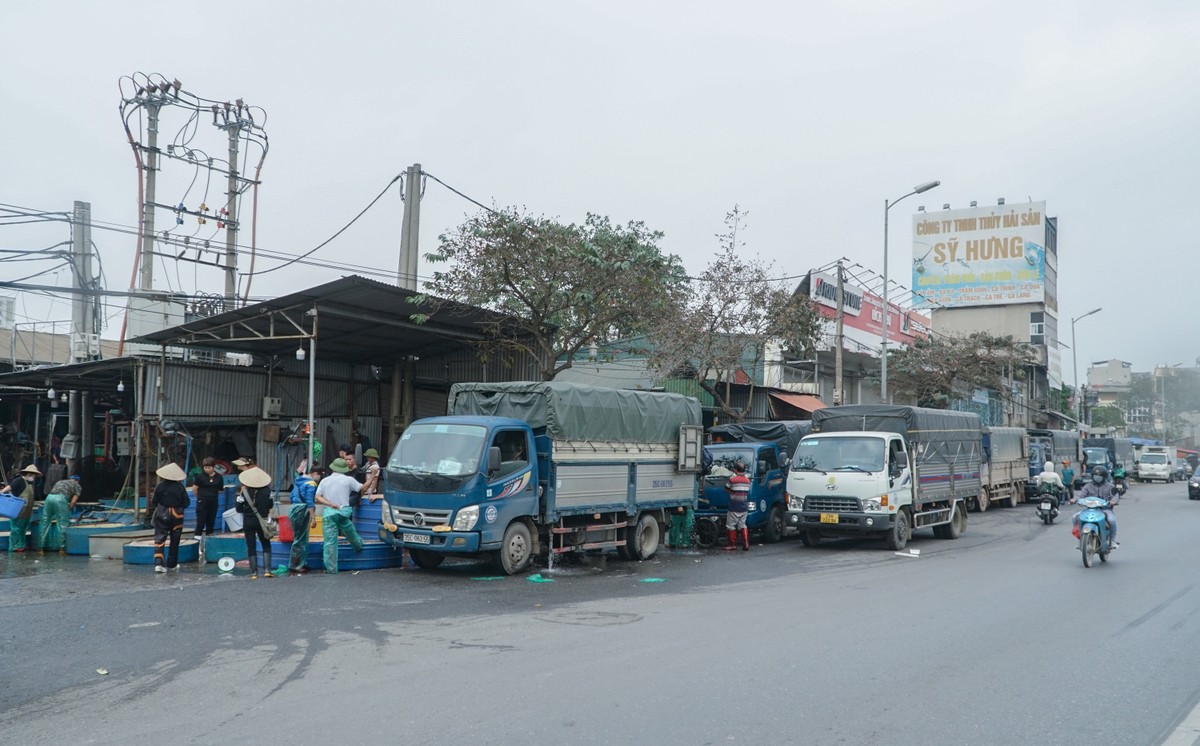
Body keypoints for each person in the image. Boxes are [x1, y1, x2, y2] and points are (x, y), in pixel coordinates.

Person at [314, 457, 365, 573]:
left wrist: (330, 503)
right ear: (344, 469)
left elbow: (317, 497)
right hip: (343, 513)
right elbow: (363, 488)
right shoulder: (349, 480)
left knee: (330, 542)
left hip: (329, 514)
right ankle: (358, 546)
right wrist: (372, 477)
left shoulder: (324, 481)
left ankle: (331, 569)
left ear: (333, 468)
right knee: (349, 529)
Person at [236, 466, 275, 579]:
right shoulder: (268, 491)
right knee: (266, 544)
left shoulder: (244, 492)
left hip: (248, 522)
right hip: (262, 522)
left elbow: (238, 508)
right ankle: (267, 570)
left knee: (251, 545)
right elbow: (270, 505)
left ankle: (254, 573)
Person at [151, 463, 190, 573]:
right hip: (177, 515)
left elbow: (154, 501)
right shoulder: (180, 487)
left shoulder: (159, 486)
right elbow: (186, 503)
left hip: (161, 514)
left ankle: (159, 564)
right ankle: (172, 564)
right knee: (175, 540)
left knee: (159, 539)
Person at [1072, 465, 1120, 548]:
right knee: (1074, 517)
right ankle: (1081, 539)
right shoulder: (1088, 486)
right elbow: (1080, 495)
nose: (1098, 477)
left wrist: (1113, 501)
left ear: (1104, 477)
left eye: (1100, 476)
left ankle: (1112, 540)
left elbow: (1115, 495)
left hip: (1105, 510)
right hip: (1089, 509)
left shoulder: (1110, 486)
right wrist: (1075, 499)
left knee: (1111, 520)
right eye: (1096, 475)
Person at [288, 464, 321, 575]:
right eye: (319, 476)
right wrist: (313, 518)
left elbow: (291, 497)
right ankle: (295, 565)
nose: (319, 479)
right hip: (302, 510)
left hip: (293, 508)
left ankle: (301, 563)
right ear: (316, 474)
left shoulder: (299, 481)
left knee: (300, 537)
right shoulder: (311, 484)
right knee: (300, 538)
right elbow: (309, 501)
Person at [2, 465, 41, 554]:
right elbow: (10, 487)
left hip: (26, 512)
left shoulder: (30, 484)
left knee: (23, 529)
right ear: (29, 473)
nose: (34, 477)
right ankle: (14, 547)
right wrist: (1, 492)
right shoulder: (19, 480)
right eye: (33, 475)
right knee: (16, 529)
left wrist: (31, 511)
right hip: (17, 510)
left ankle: (21, 545)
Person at [39, 474, 81, 554]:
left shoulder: (60, 481)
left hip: (49, 498)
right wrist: (69, 508)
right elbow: (74, 500)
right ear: (78, 481)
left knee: (45, 522)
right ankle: (62, 549)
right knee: (63, 523)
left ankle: (40, 548)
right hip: (60, 499)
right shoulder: (77, 485)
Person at [192, 457, 224, 540]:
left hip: (213, 502)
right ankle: (197, 538)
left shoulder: (219, 477)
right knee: (200, 521)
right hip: (202, 501)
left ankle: (210, 537)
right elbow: (195, 489)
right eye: (205, 467)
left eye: (209, 467)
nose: (207, 469)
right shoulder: (200, 477)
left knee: (211, 520)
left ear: (213, 467)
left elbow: (220, 490)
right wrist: (199, 498)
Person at [723, 461, 751, 552]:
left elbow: (726, 489)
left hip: (734, 506)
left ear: (735, 470)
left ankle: (732, 545)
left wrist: (732, 491)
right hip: (744, 507)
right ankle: (746, 543)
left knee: (731, 526)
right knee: (743, 525)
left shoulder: (732, 480)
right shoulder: (747, 480)